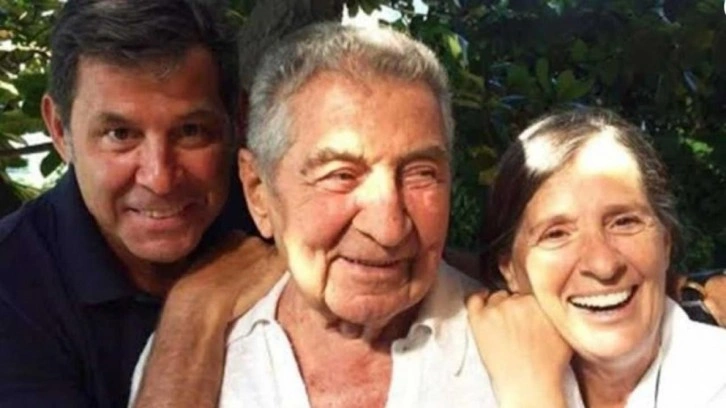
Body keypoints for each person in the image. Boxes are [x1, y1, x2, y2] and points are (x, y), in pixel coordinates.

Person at [131, 22, 496, 407]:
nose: (388, 228)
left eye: (421, 173)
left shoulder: (514, 349)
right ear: (258, 192)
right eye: (340, 175)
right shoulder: (191, 364)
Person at [0, 1, 284, 407]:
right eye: (120, 134)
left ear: (238, 120)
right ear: (60, 130)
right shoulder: (12, 285)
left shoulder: (284, 218)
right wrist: (193, 310)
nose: (160, 179)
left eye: (190, 131)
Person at [468, 108, 726, 407]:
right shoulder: (456, 380)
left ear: (665, 242)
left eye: (624, 222)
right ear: (508, 269)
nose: (603, 265)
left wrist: (533, 394)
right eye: (556, 234)